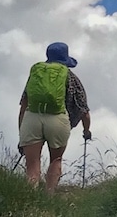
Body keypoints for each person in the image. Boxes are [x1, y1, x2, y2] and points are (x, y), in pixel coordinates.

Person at [17, 41, 91, 190]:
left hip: (32, 117)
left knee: (32, 165)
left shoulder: (36, 75)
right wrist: (86, 130)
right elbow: (84, 110)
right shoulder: (71, 78)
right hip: (57, 119)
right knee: (56, 160)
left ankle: (30, 198)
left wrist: (22, 134)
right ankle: (49, 197)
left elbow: (24, 105)